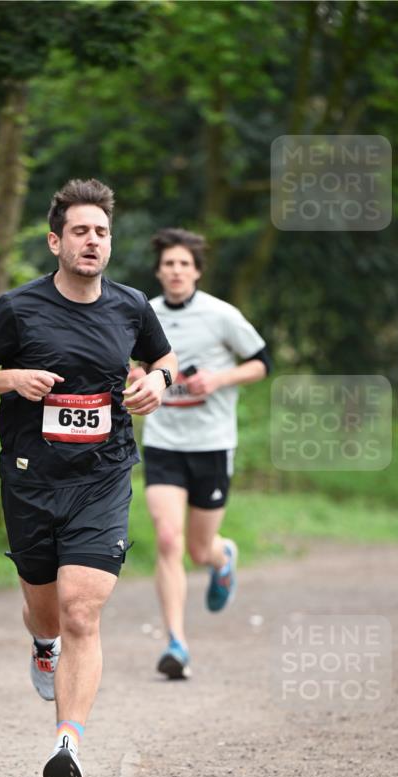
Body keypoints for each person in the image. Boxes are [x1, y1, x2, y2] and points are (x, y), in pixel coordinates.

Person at [0, 179, 177, 777]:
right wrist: (11, 378)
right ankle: (42, 645)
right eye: (80, 231)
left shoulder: (131, 307)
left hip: (102, 477)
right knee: (48, 611)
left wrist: (157, 382)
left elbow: (164, 359)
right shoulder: (18, 309)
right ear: (56, 241)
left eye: (101, 232)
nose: (92, 241)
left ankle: (66, 747)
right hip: (30, 479)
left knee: (83, 610)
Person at [129, 228, 270, 680]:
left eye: (183, 264)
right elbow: (128, 360)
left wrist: (219, 380)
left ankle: (222, 556)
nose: (175, 271)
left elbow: (262, 362)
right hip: (164, 442)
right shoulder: (143, 313)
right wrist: (134, 372)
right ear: (158, 270)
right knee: (169, 540)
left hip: (211, 444)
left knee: (199, 546)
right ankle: (176, 642)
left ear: (197, 271)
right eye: (168, 264)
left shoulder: (221, 314)